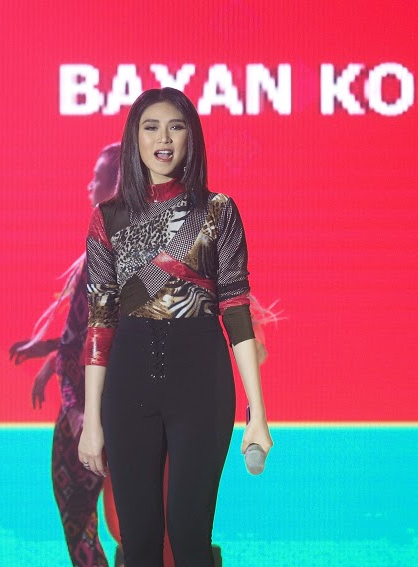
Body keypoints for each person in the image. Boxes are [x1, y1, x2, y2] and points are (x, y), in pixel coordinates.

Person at [78, 87, 273, 567]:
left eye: (175, 127)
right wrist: (91, 422)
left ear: (191, 138)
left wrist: (258, 414)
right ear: (135, 139)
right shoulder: (107, 218)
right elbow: (100, 321)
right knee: (140, 540)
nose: (163, 139)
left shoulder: (218, 211)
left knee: (189, 534)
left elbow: (236, 308)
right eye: (151, 128)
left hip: (201, 380)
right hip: (128, 382)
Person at [10, 142, 121, 567]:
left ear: (117, 183)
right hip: (124, 406)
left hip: (91, 409)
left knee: (79, 516)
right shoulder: (147, 248)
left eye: (97, 177)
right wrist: (50, 351)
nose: (89, 185)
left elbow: (91, 338)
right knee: (131, 523)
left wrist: (77, 413)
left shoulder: (105, 250)